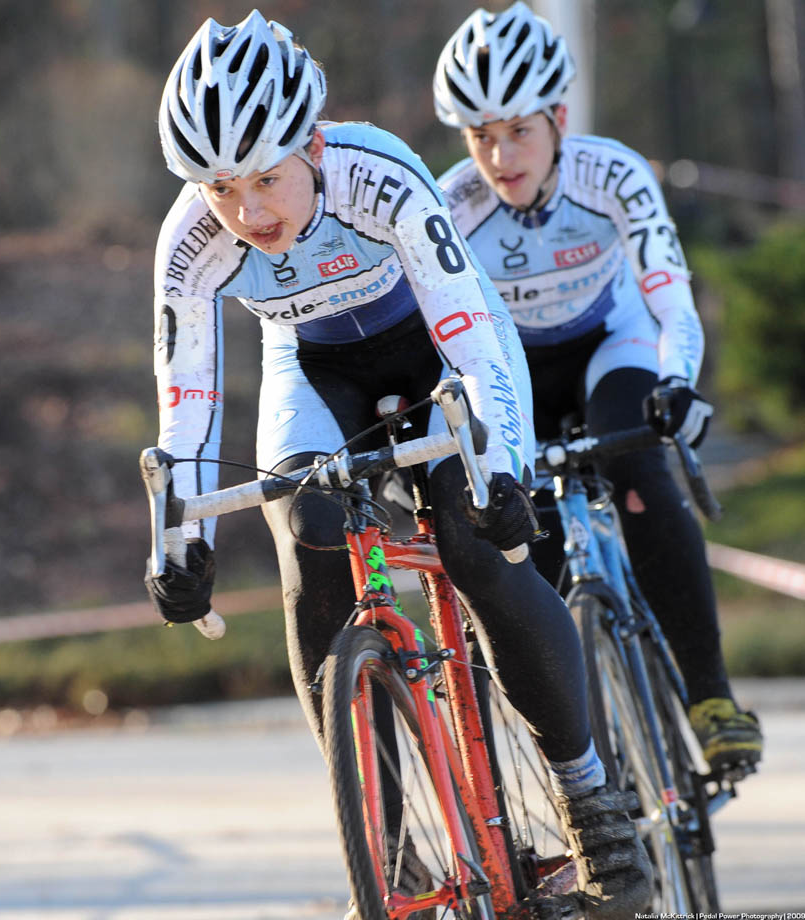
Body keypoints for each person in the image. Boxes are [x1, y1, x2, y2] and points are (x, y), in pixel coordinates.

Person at [145, 10, 650, 917]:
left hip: (437, 347)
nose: (249, 212)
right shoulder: (191, 242)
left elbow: (468, 326)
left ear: (313, 141)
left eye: (267, 178)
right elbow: (187, 399)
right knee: (310, 537)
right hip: (312, 363)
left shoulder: (379, 176)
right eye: (221, 189)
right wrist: (178, 539)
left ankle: (588, 797)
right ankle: (386, 846)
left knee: (473, 541)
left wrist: (498, 467)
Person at [432, 1, 763, 780]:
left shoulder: (610, 173)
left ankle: (711, 699)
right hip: (515, 368)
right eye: (481, 137)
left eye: (519, 131)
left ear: (559, 116)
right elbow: (441, 342)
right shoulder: (451, 206)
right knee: (518, 538)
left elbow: (669, 294)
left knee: (641, 470)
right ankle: (578, 767)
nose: (501, 155)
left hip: (611, 345)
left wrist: (677, 383)